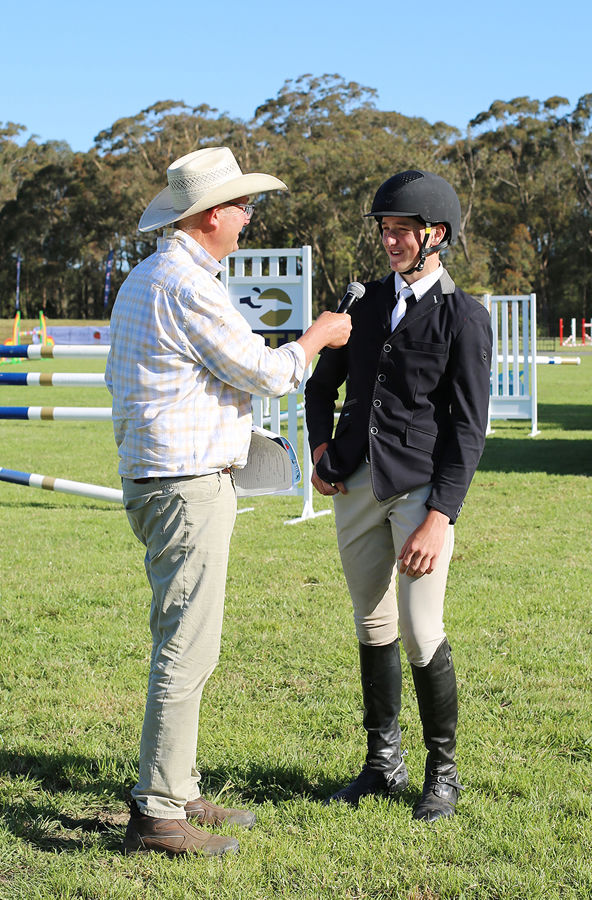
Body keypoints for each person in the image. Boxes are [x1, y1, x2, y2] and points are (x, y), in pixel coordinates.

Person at [105, 146, 351, 856]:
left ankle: (177, 789)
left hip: (162, 481)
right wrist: (320, 336)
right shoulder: (187, 284)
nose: (249, 219)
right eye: (245, 207)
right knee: (187, 647)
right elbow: (266, 372)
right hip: (186, 486)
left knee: (186, 640)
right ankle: (158, 814)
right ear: (212, 215)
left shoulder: (152, 276)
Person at [305, 169, 492, 823]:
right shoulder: (360, 303)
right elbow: (320, 384)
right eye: (385, 230)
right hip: (353, 485)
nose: (390, 241)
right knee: (373, 624)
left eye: (402, 231)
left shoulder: (465, 318)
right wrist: (319, 448)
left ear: (436, 235)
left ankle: (442, 773)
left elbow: (469, 429)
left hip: (419, 494)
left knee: (420, 629)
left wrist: (441, 517)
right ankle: (382, 765)